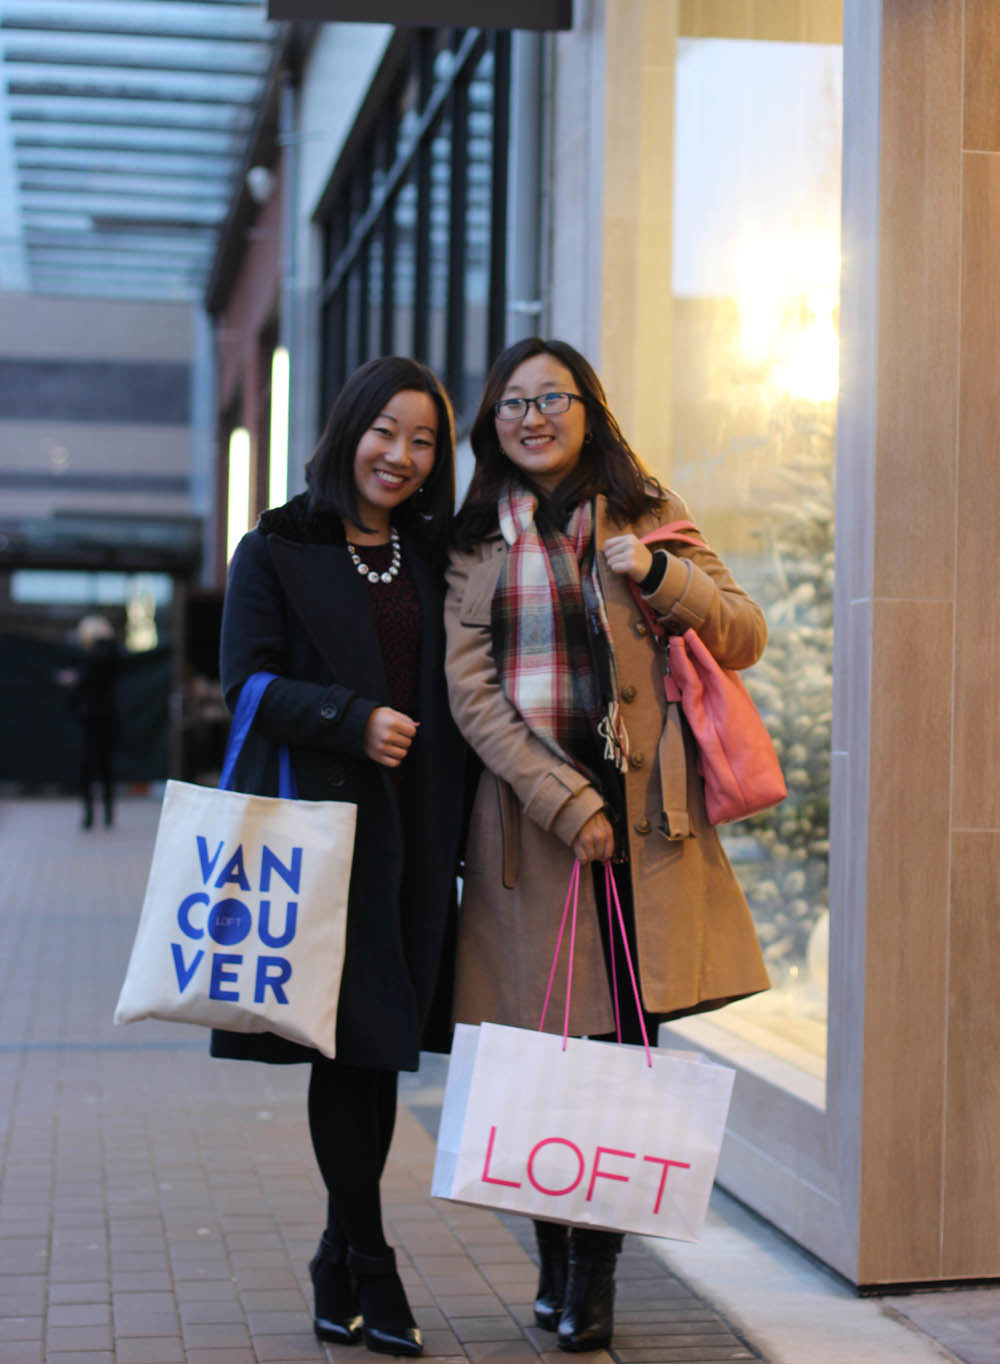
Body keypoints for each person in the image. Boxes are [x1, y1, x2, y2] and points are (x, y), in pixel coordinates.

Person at [444, 338, 771, 1353]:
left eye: (553, 397)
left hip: (645, 834)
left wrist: (661, 574)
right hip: (533, 834)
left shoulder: (644, 516)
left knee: (625, 1055)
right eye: (512, 403)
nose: (532, 417)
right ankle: (553, 1257)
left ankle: (595, 1275)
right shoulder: (470, 544)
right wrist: (559, 796)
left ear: (588, 408)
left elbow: (743, 633)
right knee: (540, 1052)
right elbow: (472, 695)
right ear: (490, 424)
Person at [215, 356, 466, 1358]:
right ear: (348, 429)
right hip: (325, 831)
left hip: (419, 832)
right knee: (345, 1048)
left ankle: (336, 1256)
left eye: (423, 441)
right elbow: (244, 685)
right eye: (385, 432)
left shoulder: (437, 551)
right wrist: (349, 719)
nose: (400, 457)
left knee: (379, 1054)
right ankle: (370, 1260)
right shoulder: (278, 544)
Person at [60, 613, 120, 829]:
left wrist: (74, 679)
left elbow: (86, 677)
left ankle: (96, 815)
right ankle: (101, 814)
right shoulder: (102, 655)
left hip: (95, 718)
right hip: (100, 718)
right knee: (102, 768)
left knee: (94, 767)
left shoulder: (99, 655)